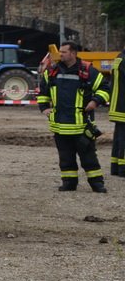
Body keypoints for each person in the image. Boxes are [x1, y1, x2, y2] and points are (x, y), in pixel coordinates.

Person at [37, 40, 109, 193]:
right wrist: (44, 108)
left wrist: (95, 102)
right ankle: (69, 183)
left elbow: (104, 88)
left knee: (89, 157)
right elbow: (43, 92)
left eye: (63, 52)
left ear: (73, 53)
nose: (60, 54)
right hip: (60, 125)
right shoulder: (52, 71)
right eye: (60, 51)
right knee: (65, 158)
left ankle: (97, 183)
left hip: (81, 125)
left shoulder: (88, 70)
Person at [111, 47, 125, 178]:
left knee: (119, 138)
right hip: (123, 105)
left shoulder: (119, 58)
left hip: (118, 105)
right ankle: (123, 169)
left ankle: (115, 167)